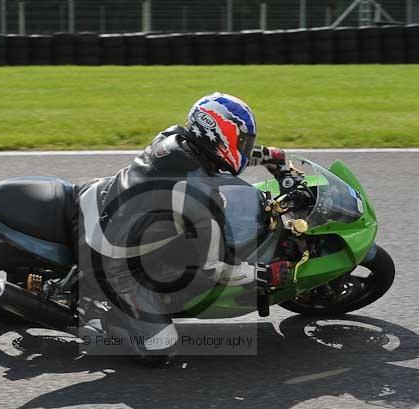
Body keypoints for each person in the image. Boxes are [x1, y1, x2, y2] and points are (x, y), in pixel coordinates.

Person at [75, 92, 293, 361]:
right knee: (160, 348)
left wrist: (267, 156)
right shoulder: (197, 195)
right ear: (219, 134)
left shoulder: (176, 140)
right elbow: (213, 269)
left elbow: (222, 158)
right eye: (243, 142)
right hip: (111, 261)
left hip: (98, 198)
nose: (246, 148)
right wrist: (265, 275)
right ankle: (99, 313)